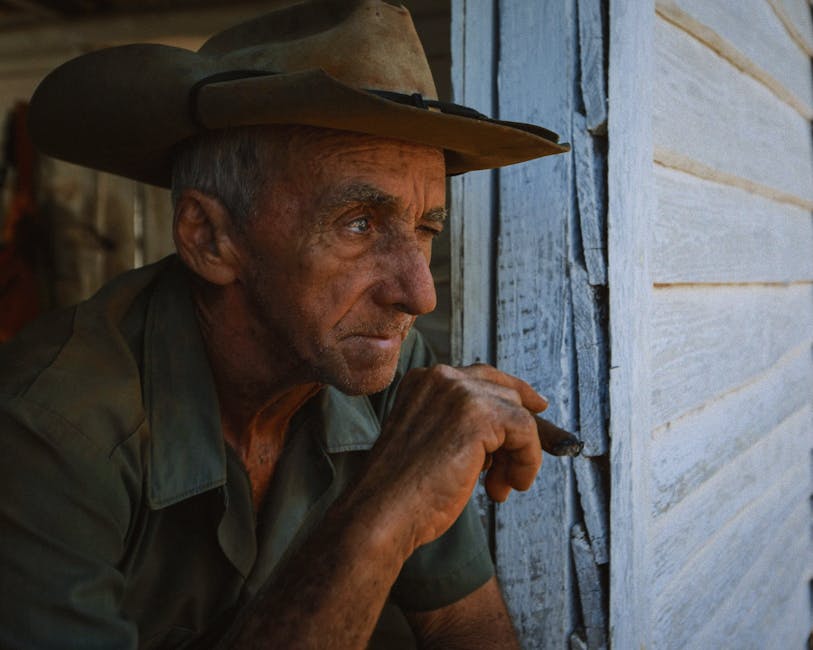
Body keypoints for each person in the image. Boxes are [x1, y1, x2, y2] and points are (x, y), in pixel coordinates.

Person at [0, 1, 569, 648]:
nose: (419, 293)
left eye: (424, 229)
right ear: (209, 238)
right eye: (359, 223)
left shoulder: (392, 373)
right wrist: (387, 507)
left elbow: (466, 628)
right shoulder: (46, 430)